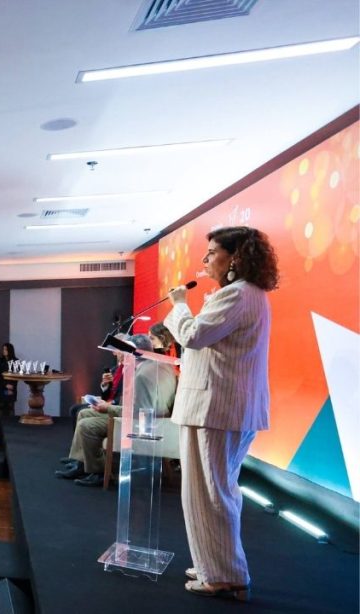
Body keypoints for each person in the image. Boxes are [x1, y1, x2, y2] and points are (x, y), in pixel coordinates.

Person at [164, 226, 279, 601]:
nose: (205, 259)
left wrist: (179, 304)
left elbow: (194, 335)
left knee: (211, 493)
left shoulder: (238, 295)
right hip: (221, 406)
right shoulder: (246, 295)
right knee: (213, 491)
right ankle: (215, 565)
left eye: (212, 252)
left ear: (235, 258)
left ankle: (225, 575)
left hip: (216, 407)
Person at [55, 334, 177, 486]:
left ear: (135, 351)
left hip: (144, 426)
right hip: (160, 422)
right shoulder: (162, 367)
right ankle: (82, 464)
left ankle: (98, 472)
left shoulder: (142, 375)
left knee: (86, 425)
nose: (121, 353)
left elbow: (138, 412)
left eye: (125, 350)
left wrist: (108, 407)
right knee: (84, 412)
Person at [0, 343, 17, 414]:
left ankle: (10, 424)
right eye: (3, 349)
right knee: (1, 405)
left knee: (10, 406)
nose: (4, 351)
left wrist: (11, 387)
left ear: (10, 350)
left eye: (6, 349)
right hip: (1, 388)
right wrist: (5, 385)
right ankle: (0, 423)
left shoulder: (16, 361)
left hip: (12, 388)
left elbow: (17, 376)